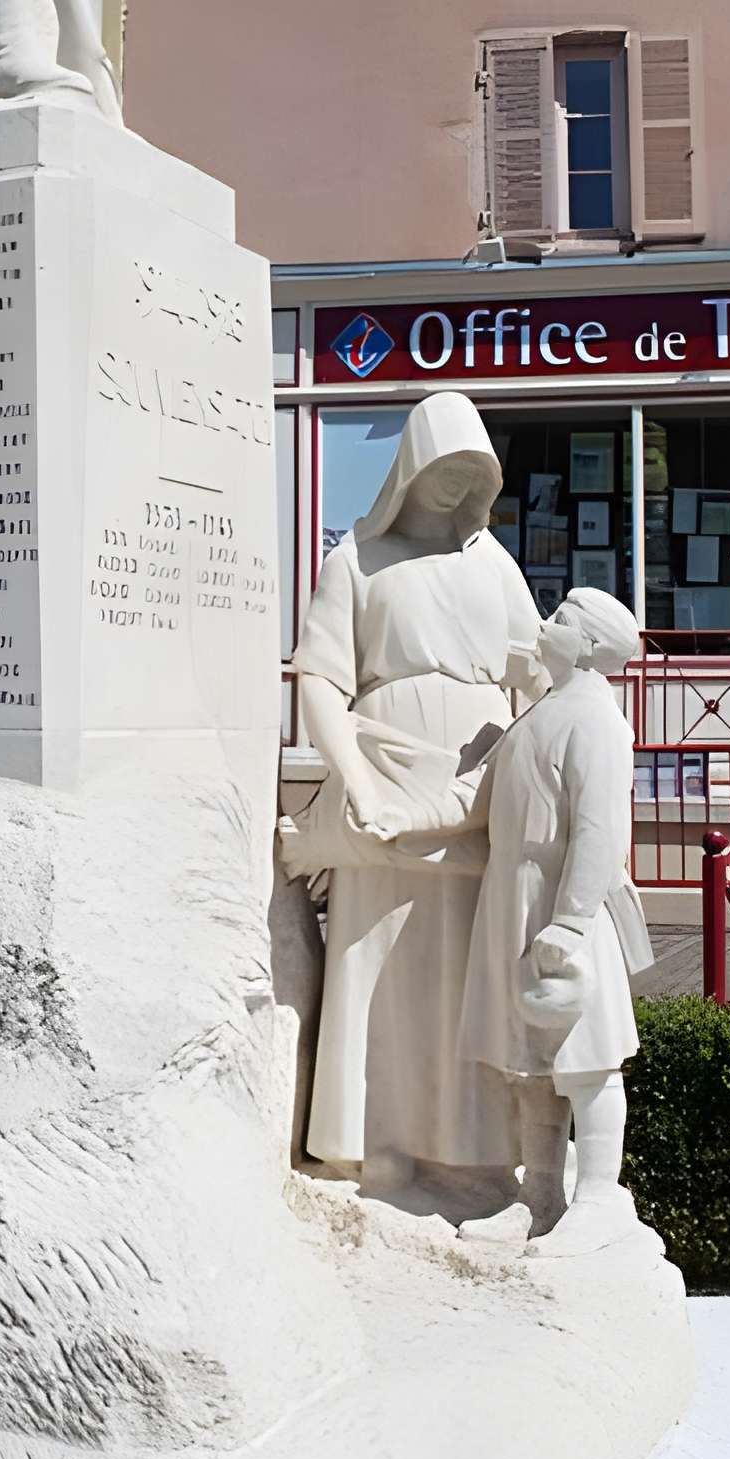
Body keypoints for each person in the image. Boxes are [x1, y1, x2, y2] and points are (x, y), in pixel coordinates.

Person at [279, 392, 546, 1213]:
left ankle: (470, 1158)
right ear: (409, 467)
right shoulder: (355, 559)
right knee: (378, 963)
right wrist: (353, 775)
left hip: (475, 782)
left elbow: (535, 673)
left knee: (467, 971)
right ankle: (375, 1149)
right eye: (441, 467)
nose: (452, 484)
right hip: (385, 769)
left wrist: (535, 752)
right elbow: (321, 675)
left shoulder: (493, 565)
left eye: (471, 471)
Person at [342, 586, 655, 1256]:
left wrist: (570, 923)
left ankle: (599, 1196)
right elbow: (477, 795)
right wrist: (400, 816)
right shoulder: (540, 711)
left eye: (564, 620)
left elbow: (601, 832)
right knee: (528, 1062)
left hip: (562, 901)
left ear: (594, 646)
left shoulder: (597, 720)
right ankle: (539, 1194)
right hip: (512, 897)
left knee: (587, 1059)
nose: (549, 625)